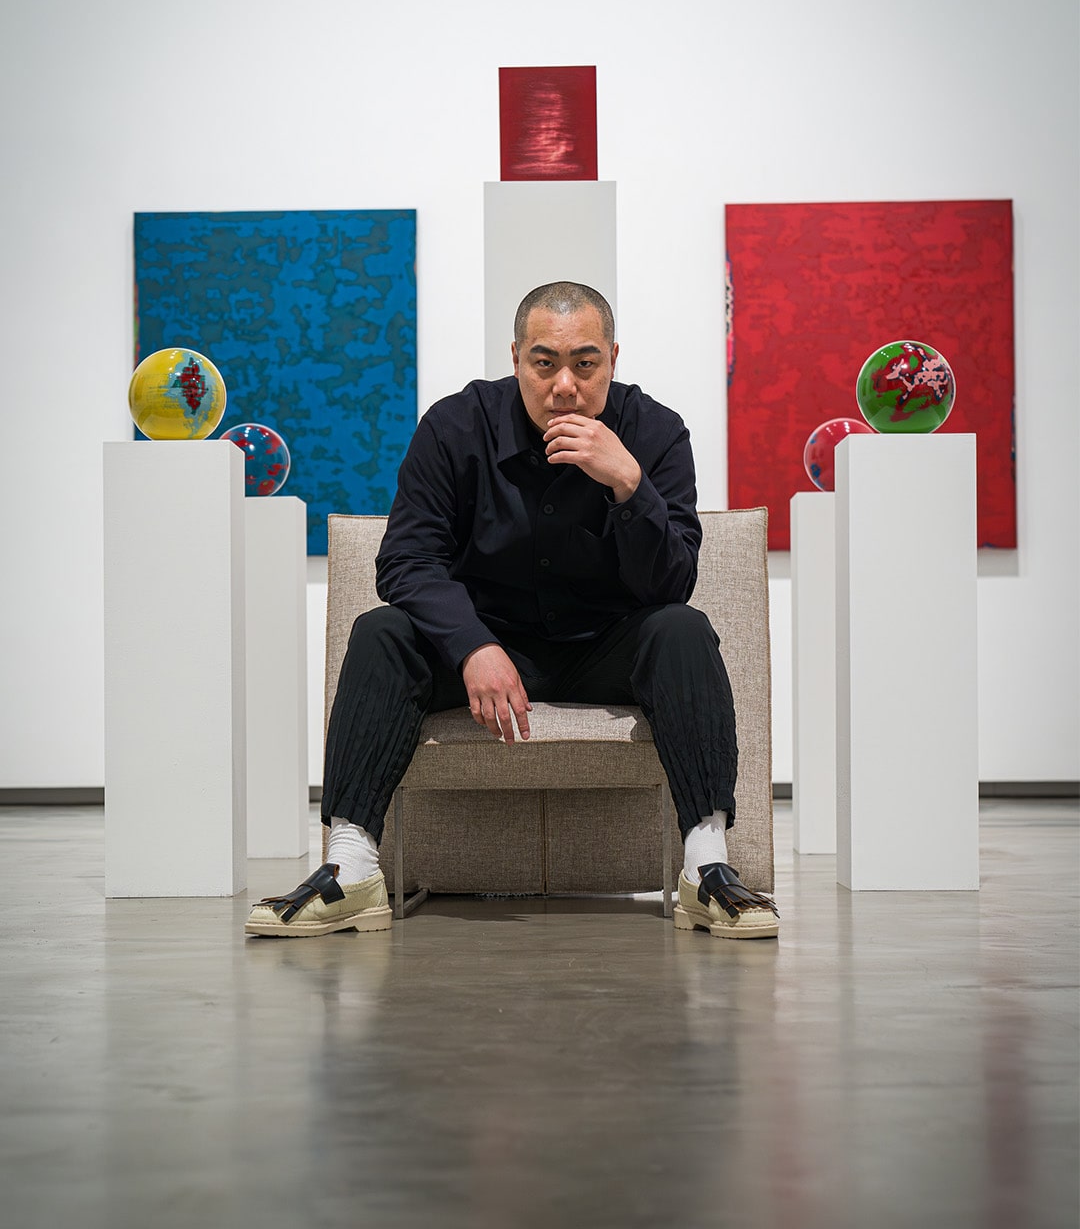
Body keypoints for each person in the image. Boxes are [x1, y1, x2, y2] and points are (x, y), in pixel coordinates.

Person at [245, 282, 779, 940]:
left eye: (585, 364)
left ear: (613, 359)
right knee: (381, 632)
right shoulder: (454, 426)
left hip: (606, 648)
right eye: (544, 363)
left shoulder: (655, 433)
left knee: (683, 631)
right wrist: (472, 645)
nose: (565, 386)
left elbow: (673, 583)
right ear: (516, 358)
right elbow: (405, 561)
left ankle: (707, 867)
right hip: (485, 644)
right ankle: (350, 867)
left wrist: (628, 484)